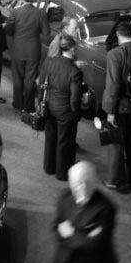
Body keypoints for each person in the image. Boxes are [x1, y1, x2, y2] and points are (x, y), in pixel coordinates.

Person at [53, 161, 119, 263]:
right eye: (76, 185)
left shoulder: (106, 209)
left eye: (85, 184)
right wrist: (83, 237)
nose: (80, 190)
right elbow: (56, 229)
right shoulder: (65, 198)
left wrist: (71, 233)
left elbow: (95, 244)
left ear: (93, 183)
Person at [102, 22, 131, 193]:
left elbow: (113, 85)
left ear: (118, 35)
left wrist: (111, 112)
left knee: (115, 144)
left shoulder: (114, 54)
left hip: (120, 107)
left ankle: (115, 180)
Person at [38, 34, 83, 181]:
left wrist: (40, 102)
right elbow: (75, 98)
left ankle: (49, 167)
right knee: (64, 142)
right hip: (65, 110)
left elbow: (41, 83)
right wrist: (76, 113)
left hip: (50, 105)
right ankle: (62, 173)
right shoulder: (75, 71)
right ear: (73, 48)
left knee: (50, 138)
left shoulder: (51, 62)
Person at [6, 0, 49, 112]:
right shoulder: (41, 14)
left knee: (18, 77)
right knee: (30, 78)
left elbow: (8, 31)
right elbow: (46, 33)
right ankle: (28, 106)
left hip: (18, 49)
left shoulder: (15, 12)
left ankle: (18, 103)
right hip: (33, 50)